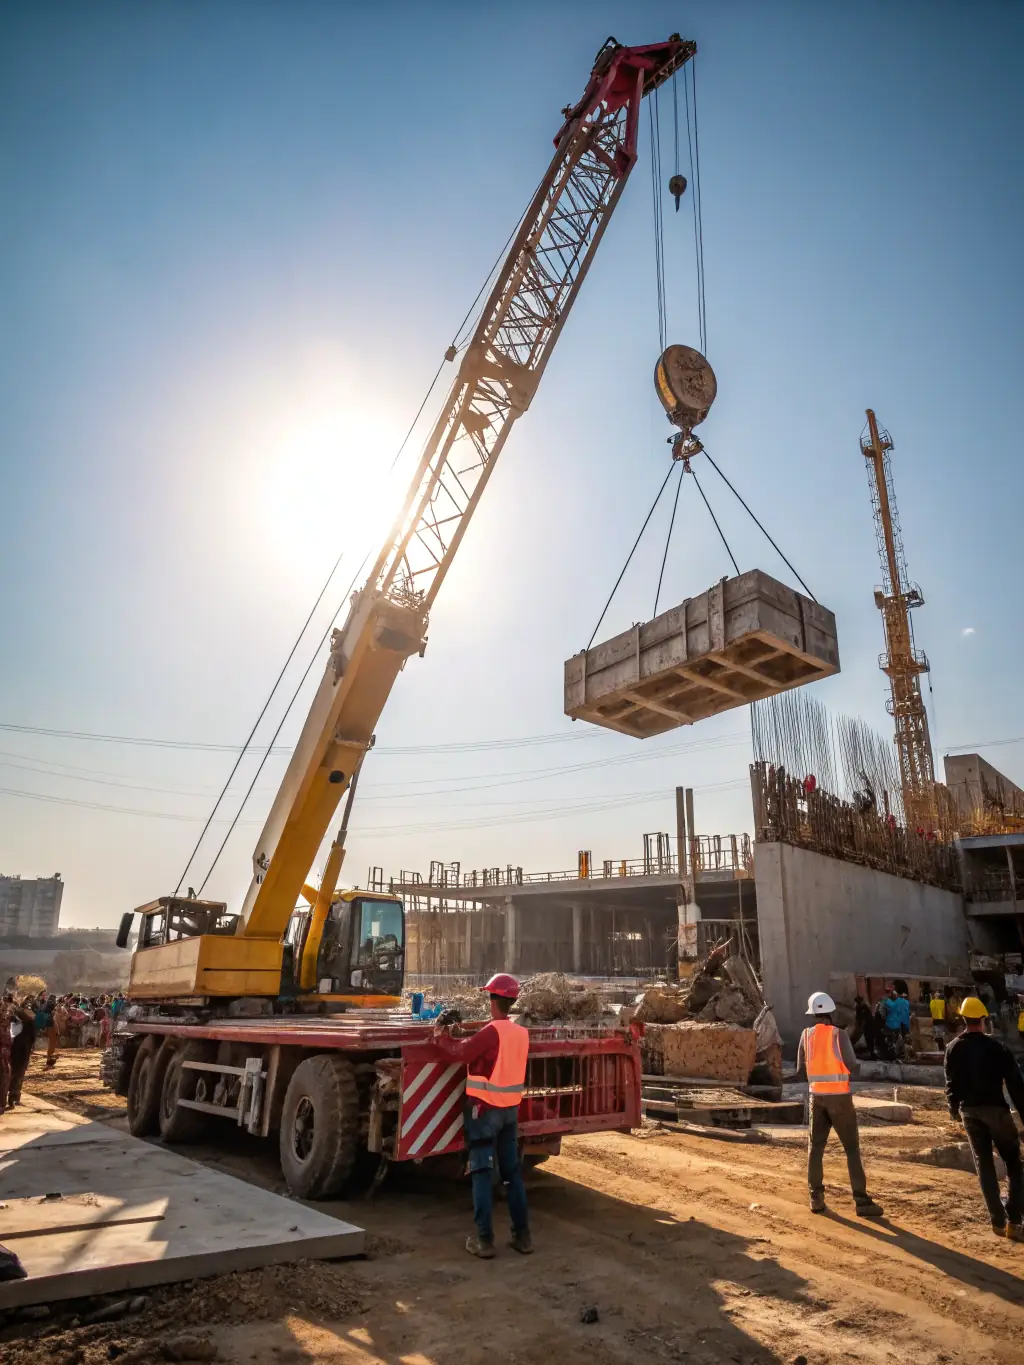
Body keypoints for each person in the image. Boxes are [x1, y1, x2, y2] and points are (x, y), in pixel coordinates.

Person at [433, 972, 532, 1258]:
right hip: (510, 1112)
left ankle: (484, 1241)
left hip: (485, 1111)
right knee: (512, 1175)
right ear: (511, 1002)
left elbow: (461, 1053)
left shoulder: (492, 1032)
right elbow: (491, 1053)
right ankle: (522, 1238)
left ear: (492, 1000)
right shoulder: (520, 1033)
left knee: (481, 1173)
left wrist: (440, 1038)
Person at [790, 991, 883, 1218]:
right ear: (830, 1013)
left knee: (816, 1148)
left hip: (816, 1098)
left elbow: (800, 1070)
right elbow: (852, 1065)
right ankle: (861, 1201)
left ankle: (816, 1198)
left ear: (813, 1014)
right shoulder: (838, 1035)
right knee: (851, 1149)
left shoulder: (806, 1035)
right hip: (840, 1099)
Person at [944, 995, 1024, 1239]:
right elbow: (1015, 1085)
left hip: (970, 1113)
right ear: (982, 1020)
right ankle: (1015, 1219)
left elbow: (951, 1084)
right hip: (996, 1111)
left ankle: (997, 1221)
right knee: (1014, 1164)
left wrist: (954, 1109)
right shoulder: (997, 1048)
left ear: (964, 1019)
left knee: (985, 1165)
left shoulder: (953, 1048)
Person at [7, 998, 37, 1108]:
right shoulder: (30, 1020)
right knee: (18, 1074)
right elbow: (33, 1036)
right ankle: (14, 1098)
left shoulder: (13, 1019)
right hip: (23, 1050)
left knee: (11, 1073)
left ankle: (10, 1097)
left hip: (13, 1049)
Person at [880, 987, 910, 1059]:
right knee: (895, 1040)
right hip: (897, 1024)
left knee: (892, 1040)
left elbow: (883, 1014)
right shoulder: (902, 1003)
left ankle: (893, 1054)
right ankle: (895, 1054)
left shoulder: (886, 1002)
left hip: (892, 1025)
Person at [849, 994, 877, 1059]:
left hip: (869, 1026)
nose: (859, 1003)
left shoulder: (864, 1007)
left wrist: (861, 1026)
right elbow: (858, 1018)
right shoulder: (858, 1007)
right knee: (868, 1039)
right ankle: (870, 1053)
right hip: (864, 1026)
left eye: (859, 1001)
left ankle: (872, 1053)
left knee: (870, 1039)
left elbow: (866, 1018)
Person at [0, 995, 13, 1116]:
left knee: (5, 1077)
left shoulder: (6, 1025)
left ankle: (2, 1104)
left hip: (4, 1053)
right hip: (3, 1054)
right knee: (4, 1077)